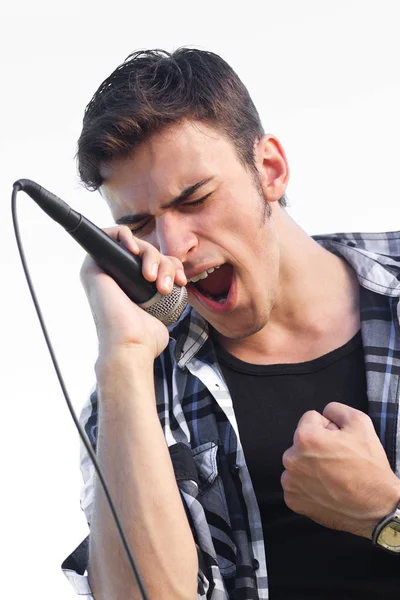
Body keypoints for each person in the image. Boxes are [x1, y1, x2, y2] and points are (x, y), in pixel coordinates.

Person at [62, 48, 400, 599]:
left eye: (195, 199)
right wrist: (123, 357)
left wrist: (386, 515)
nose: (173, 246)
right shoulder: (132, 394)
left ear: (270, 170)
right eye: (139, 223)